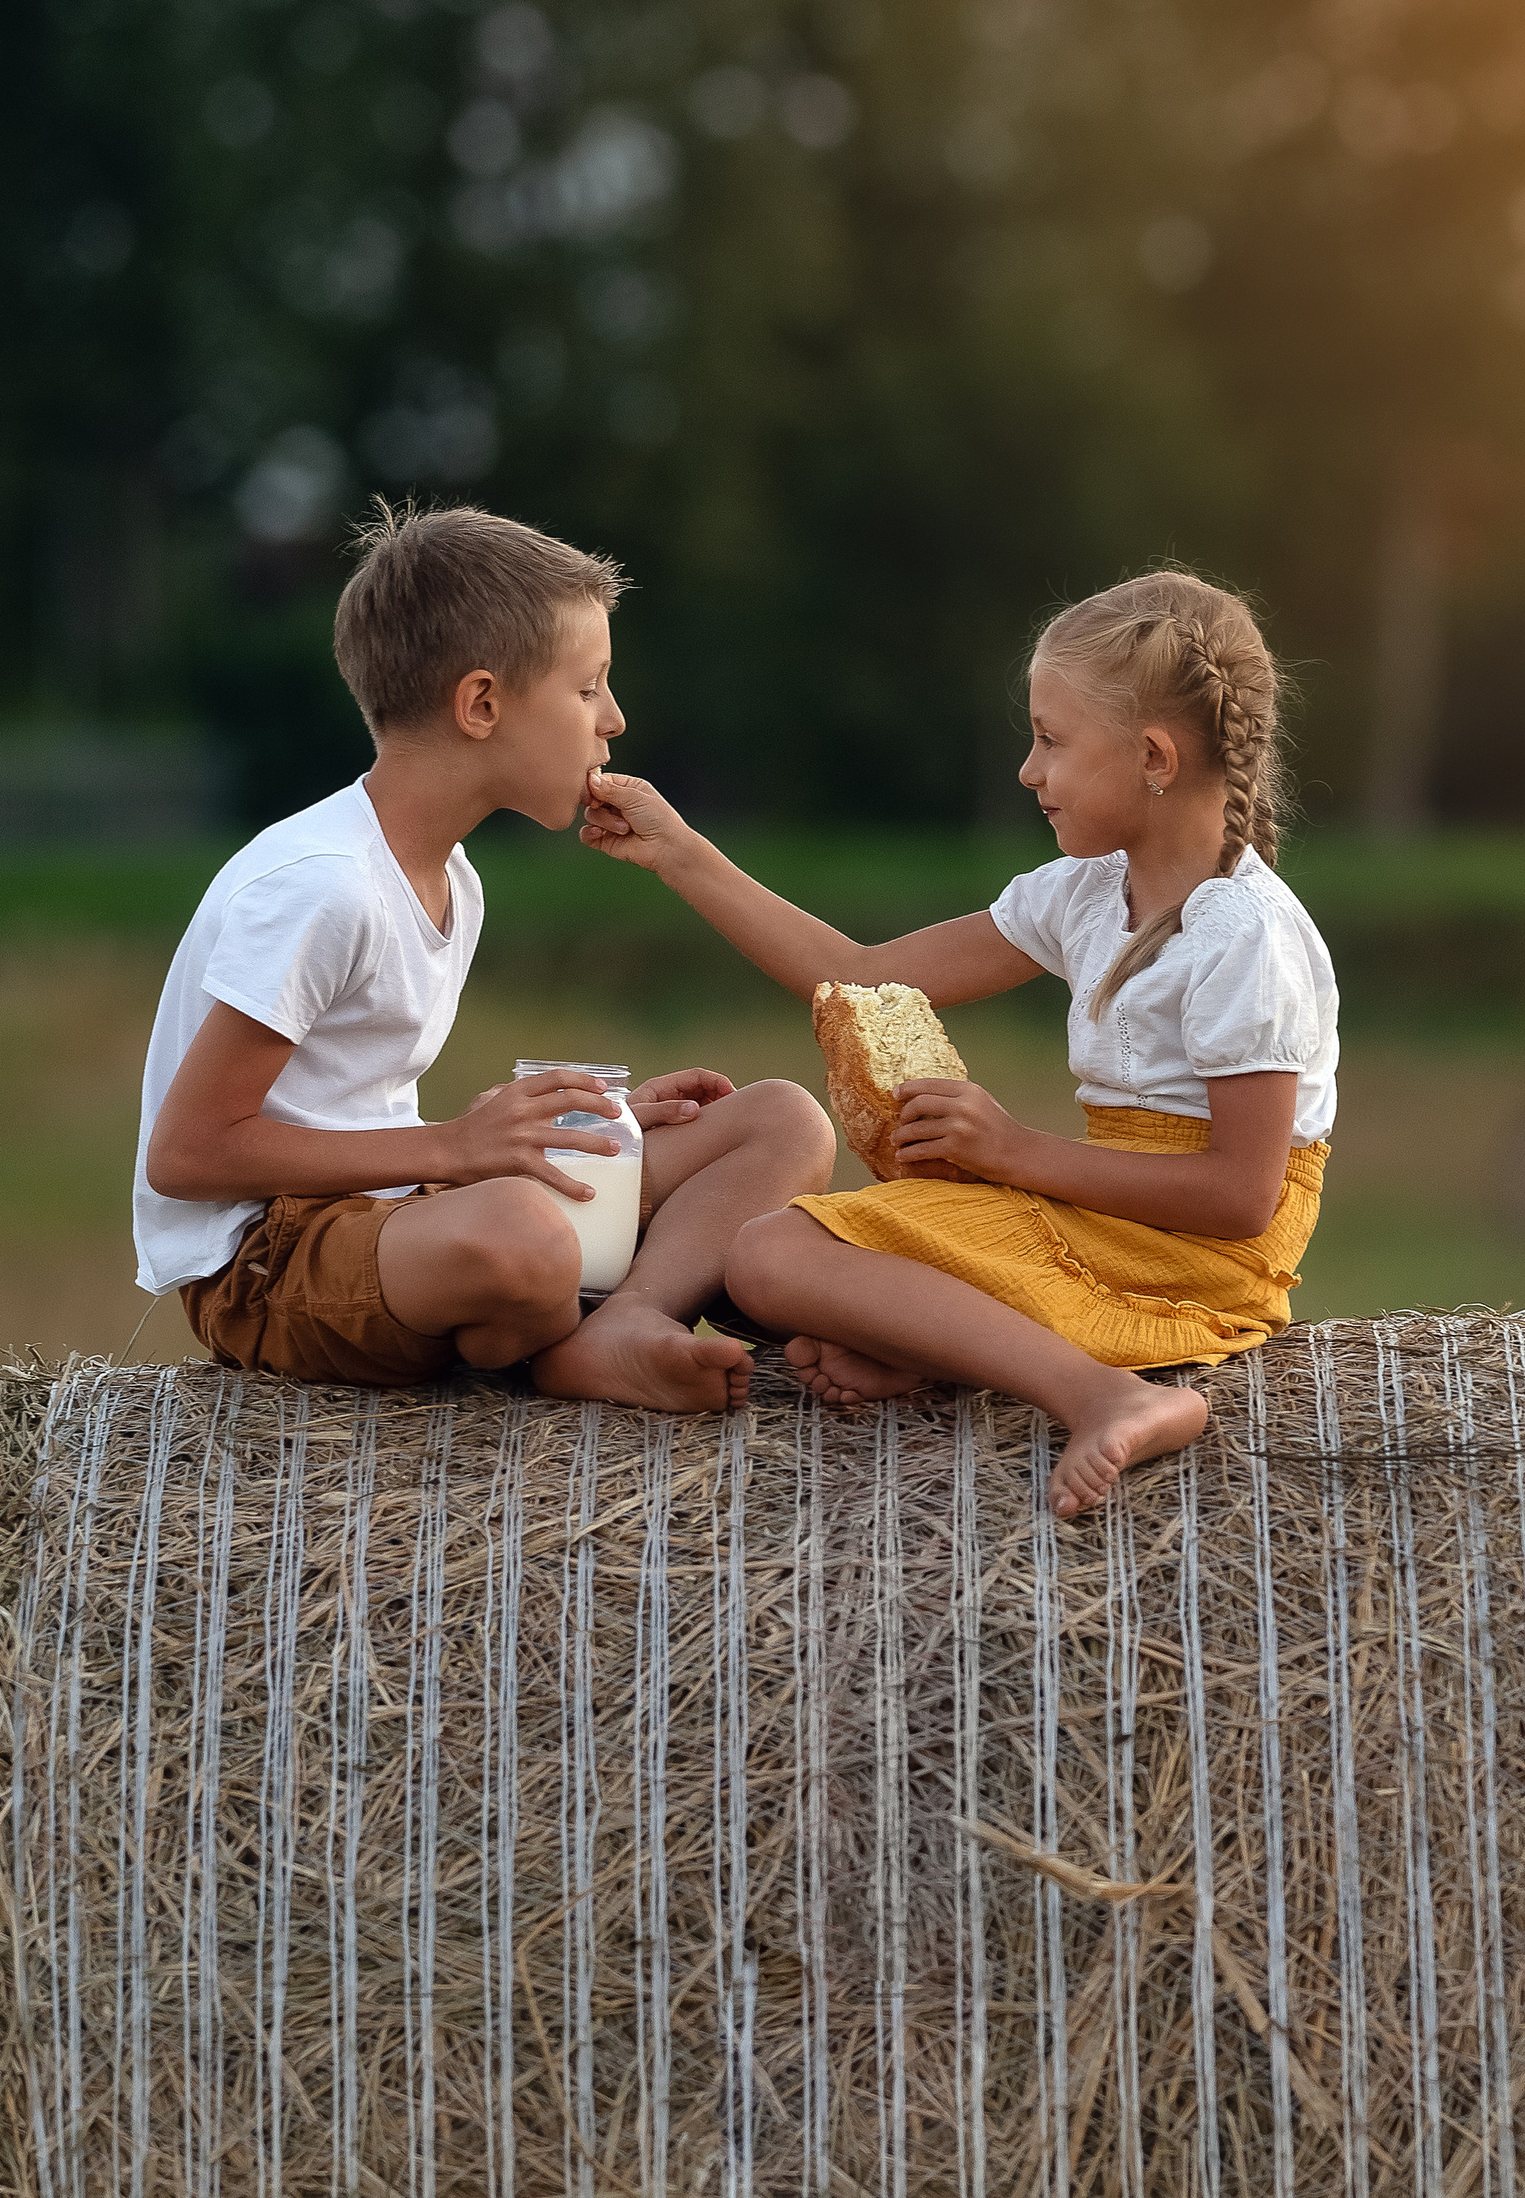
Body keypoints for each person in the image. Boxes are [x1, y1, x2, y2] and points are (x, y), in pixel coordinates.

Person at [580, 569, 1337, 1512]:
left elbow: (1240, 1196)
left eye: (1052, 741)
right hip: (1105, 1219)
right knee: (774, 1267)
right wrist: (679, 851)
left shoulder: (1242, 935)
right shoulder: (1089, 891)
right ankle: (922, 1353)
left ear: (1154, 757)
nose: (1029, 771)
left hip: (1200, 1258)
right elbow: (858, 974)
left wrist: (1014, 1153)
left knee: (772, 1257)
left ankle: (1105, 1396)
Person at [135, 503, 835, 1409]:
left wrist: (598, 1127)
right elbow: (187, 1153)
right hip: (268, 1258)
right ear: (481, 705)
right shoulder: (324, 886)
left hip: (403, 1210)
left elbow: (362, 1110)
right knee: (524, 1233)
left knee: (780, 1122)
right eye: (588, 688)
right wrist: (462, 1147)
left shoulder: (453, 878)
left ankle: (626, 1321)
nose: (613, 720)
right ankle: (558, 1341)